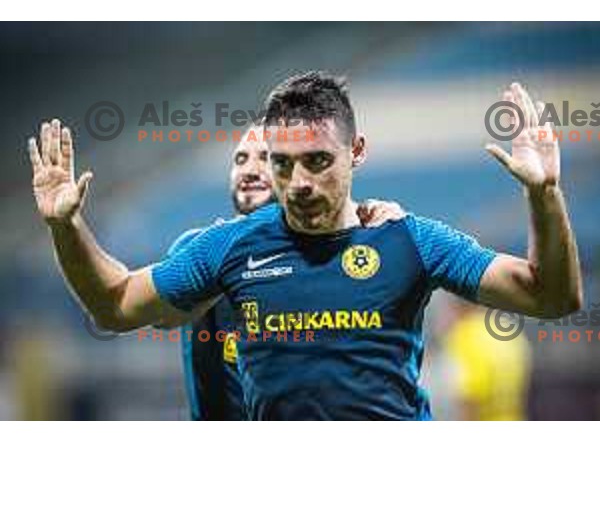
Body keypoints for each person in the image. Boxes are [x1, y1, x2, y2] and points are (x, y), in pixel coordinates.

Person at [29, 72, 583, 420]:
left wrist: (544, 195)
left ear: (356, 151)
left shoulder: (410, 238)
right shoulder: (228, 248)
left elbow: (551, 298)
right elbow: (116, 303)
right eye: (282, 164)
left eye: (318, 161)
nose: (299, 183)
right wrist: (65, 226)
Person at [178, 129, 404, 419]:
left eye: (266, 158)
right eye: (240, 159)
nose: (249, 170)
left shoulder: (331, 253)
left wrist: (386, 224)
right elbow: (149, 314)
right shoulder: (202, 250)